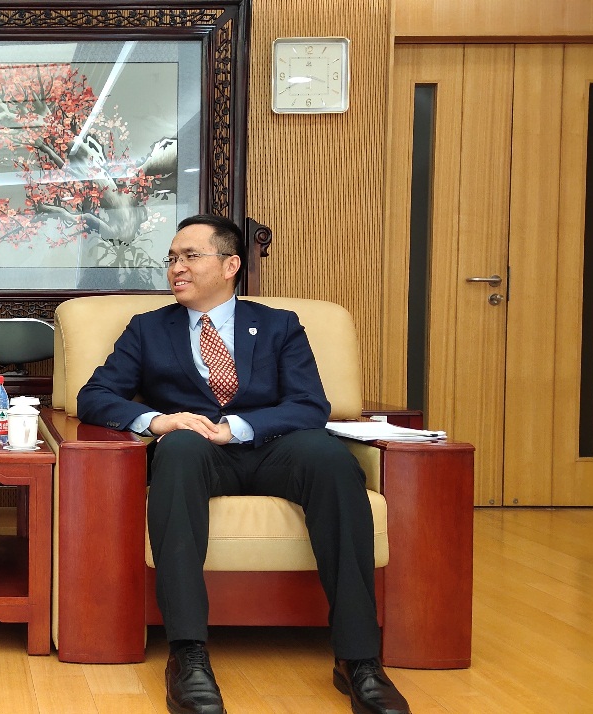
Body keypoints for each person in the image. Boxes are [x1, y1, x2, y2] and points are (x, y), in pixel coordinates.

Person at [77, 214, 411, 714]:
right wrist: (158, 421)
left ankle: (358, 658)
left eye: (190, 256)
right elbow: (94, 396)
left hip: (273, 445)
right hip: (197, 452)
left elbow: (309, 404)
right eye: (172, 258)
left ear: (230, 265)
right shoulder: (148, 328)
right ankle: (188, 654)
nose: (176, 268)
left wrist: (238, 427)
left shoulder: (279, 325)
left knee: (331, 460)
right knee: (178, 451)